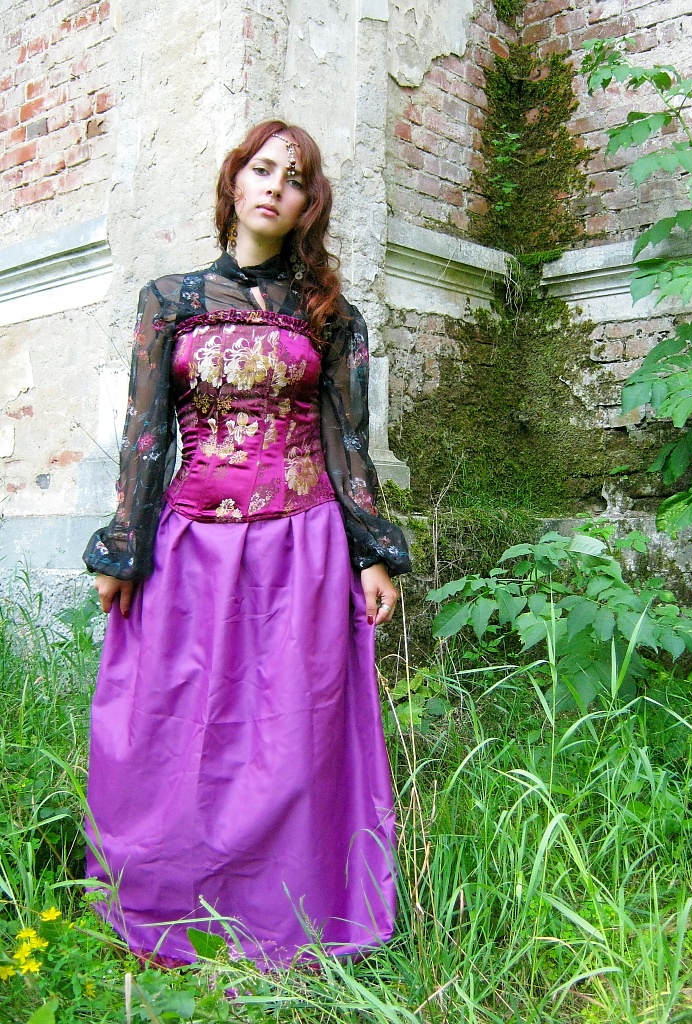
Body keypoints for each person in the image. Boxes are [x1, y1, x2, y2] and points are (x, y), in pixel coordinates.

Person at [82, 120, 411, 969]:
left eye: (294, 179)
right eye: (261, 170)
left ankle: (293, 917)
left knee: (295, 735)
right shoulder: (171, 299)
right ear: (234, 183)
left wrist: (372, 551)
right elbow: (146, 435)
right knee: (178, 726)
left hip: (305, 549)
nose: (274, 187)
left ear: (308, 205)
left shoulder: (331, 315)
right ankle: (173, 905)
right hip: (194, 547)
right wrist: (124, 549)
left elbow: (347, 442)